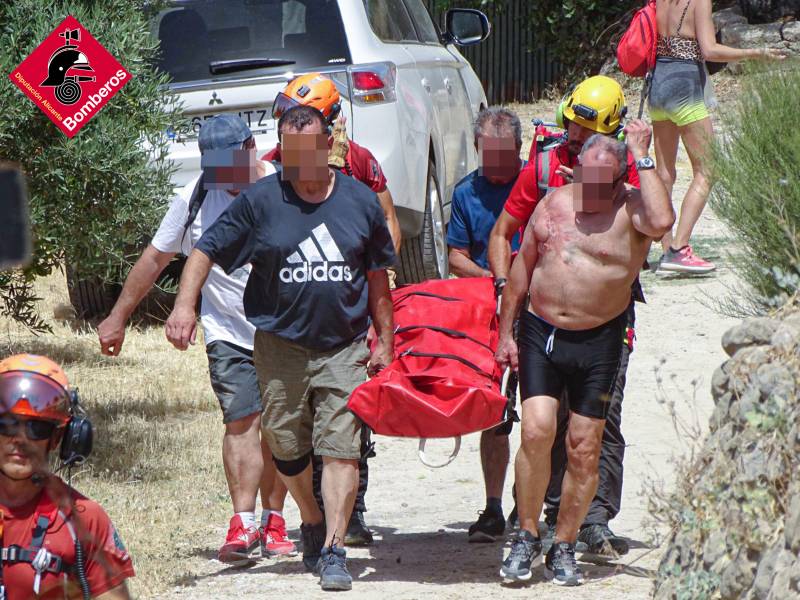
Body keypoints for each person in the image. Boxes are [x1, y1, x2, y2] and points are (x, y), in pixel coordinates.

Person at [165, 105, 396, 592]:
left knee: (341, 451)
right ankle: (309, 518)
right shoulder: (261, 200)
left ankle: (333, 548)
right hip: (279, 346)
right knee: (287, 448)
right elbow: (204, 250)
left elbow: (377, 278)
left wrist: (386, 340)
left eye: (307, 150)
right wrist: (185, 306)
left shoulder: (360, 201)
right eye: (289, 153)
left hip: (343, 347)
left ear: (327, 144)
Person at [96, 115, 296, 566]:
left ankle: (275, 517)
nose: (226, 179)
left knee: (279, 428)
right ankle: (243, 523)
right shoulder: (196, 197)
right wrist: (118, 315)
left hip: (283, 328)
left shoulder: (285, 188)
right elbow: (155, 257)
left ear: (251, 147)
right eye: (217, 169)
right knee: (241, 418)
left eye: (232, 166)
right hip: (227, 329)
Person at [496, 122, 674, 586]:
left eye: (605, 183)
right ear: (575, 169)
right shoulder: (553, 204)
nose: (592, 190)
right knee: (536, 431)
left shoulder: (633, 211)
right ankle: (526, 534)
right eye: (586, 179)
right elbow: (521, 272)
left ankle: (565, 544)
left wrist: (643, 153)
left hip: (598, 341)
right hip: (541, 331)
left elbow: (662, 223)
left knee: (583, 447)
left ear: (621, 180)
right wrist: (505, 335)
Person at [488, 75, 642, 556]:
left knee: (600, 424)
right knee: (539, 421)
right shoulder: (541, 169)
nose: (574, 138)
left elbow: (657, 221)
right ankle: (533, 514)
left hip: (607, 320)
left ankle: (593, 519)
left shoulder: (624, 171)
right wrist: (503, 296)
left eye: (585, 130)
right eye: (571, 125)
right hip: (542, 321)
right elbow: (503, 234)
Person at [262, 72, 401, 546]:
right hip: (298, 312)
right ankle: (314, 514)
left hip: (350, 300)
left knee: (346, 419)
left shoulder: (360, 162)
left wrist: (372, 281)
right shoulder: (277, 164)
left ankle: (350, 513)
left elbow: (385, 223)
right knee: (297, 424)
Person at [650, 0, 785, 273]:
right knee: (709, 169)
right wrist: (757, 53)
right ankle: (679, 249)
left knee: (665, 173)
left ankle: (665, 247)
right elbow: (710, 50)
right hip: (684, 86)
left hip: (657, 83)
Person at [445, 106, 523, 542]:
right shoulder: (465, 193)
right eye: (487, 155)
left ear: (519, 149)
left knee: (544, 412)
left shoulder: (538, 183)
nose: (495, 165)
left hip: (537, 309)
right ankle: (493, 508)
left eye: (504, 156)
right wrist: (495, 281)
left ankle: (535, 507)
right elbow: (456, 256)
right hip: (486, 310)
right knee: (494, 412)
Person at [0, 354, 135, 598]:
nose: (19, 440)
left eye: (36, 428)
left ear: (58, 439)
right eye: (7, 424)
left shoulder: (85, 519)